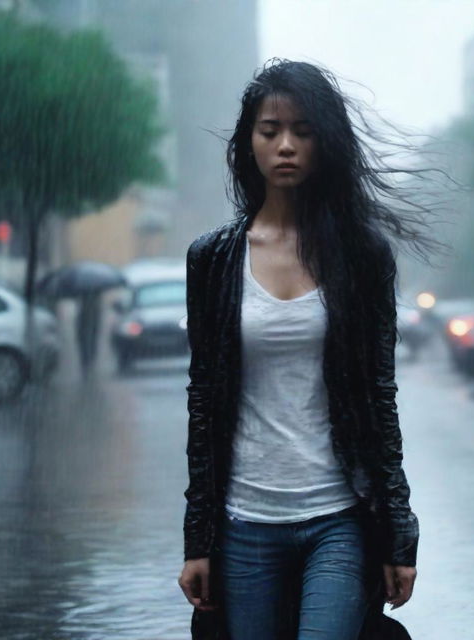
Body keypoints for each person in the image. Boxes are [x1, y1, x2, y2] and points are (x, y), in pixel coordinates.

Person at [178, 59, 438, 640]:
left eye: (303, 131)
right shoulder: (213, 260)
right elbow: (203, 402)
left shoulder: (363, 257)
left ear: (326, 143)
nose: (287, 146)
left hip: (338, 519)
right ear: (250, 143)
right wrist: (198, 540)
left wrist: (399, 533)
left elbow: (379, 399)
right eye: (271, 131)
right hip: (245, 522)